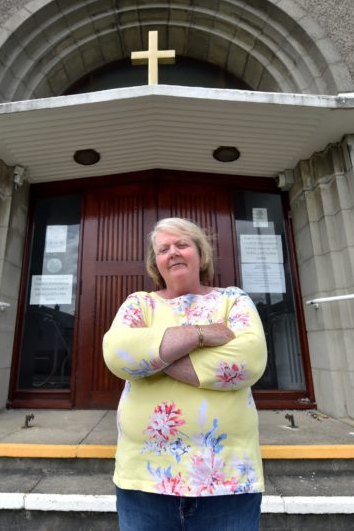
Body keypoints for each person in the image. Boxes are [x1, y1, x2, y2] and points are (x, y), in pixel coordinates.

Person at [103, 217, 267, 531]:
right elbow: (118, 354)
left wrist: (153, 356)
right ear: (156, 263)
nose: (173, 252)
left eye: (182, 244)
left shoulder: (232, 299)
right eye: (163, 249)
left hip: (228, 480)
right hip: (145, 480)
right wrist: (202, 334)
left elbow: (248, 360)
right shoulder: (140, 303)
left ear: (200, 254)